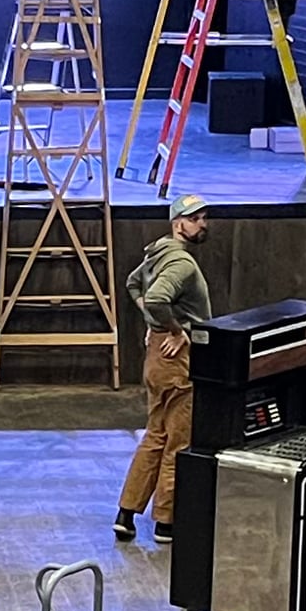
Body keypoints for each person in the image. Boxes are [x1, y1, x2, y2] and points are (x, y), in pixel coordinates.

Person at [118, 193, 213, 545]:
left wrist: (155, 324)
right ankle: (166, 522)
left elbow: (134, 285)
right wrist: (176, 330)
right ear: (178, 224)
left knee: (155, 435)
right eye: (195, 218)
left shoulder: (157, 253)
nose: (203, 223)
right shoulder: (181, 264)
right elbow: (157, 299)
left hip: (158, 358)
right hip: (180, 359)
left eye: (204, 217)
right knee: (178, 441)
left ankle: (126, 513)